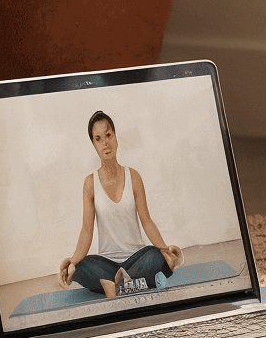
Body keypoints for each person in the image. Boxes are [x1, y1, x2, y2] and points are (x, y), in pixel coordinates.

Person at [59, 110, 185, 298]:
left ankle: (116, 286)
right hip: (107, 263)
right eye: (98, 138)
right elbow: (86, 230)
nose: (105, 143)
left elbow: (146, 220)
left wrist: (165, 250)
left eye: (108, 135)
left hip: (137, 258)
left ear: (116, 136)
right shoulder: (90, 183)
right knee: (81, 267)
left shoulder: (133, 176)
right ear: (93, 144)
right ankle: (131, 283)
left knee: (155, 257)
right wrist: (72, 263)